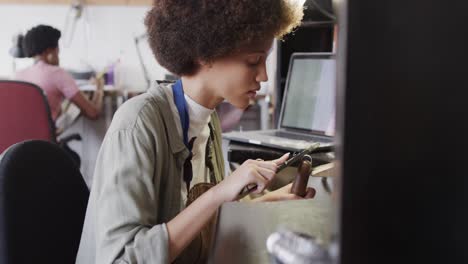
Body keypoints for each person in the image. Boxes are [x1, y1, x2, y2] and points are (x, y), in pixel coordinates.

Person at [76, 1, 313, 263]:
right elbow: (121, 259)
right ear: (206, 53)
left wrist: (263, 204)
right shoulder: (137, 123)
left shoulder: (208, 120)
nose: (264, 76)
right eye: (254, 61)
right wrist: (220, 192)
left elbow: (197, 223)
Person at [15, 25, 103, 121]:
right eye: (57, 51)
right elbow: (93, 113)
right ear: (49, 52)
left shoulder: (18, 75)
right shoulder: (58, 73)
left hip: (17, 135)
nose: (58, 56)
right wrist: (99, 88)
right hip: (45, 135)